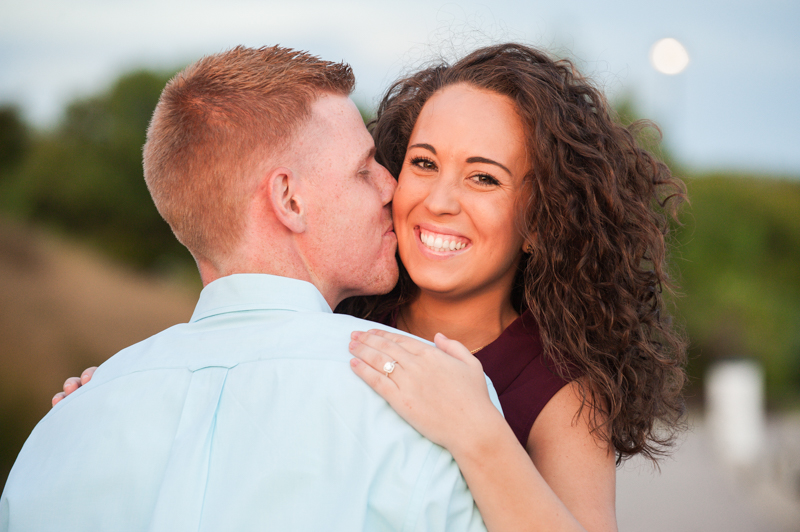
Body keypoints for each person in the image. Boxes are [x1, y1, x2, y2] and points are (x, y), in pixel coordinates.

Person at [55, 43, 687, 532]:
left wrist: (478, 432)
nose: (439, 200)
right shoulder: (339, 311)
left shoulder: (561, 392)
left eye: (485, 179)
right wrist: (124, 410)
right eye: (422, 163)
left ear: (540, 223)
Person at [1, 46, 494, 532]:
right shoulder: (430, 402)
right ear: (289, 200)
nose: (392, 187)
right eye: (364, 169)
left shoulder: (59, 431)